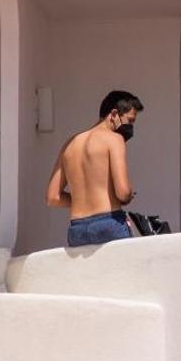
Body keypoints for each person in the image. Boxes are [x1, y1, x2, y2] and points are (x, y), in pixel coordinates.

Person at [46, 90, 144, 247]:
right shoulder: (114, 139)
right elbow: (123, 192)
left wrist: (83, 200)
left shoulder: (71, 144)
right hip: (109, 222)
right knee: (122, 271)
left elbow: (53, 197)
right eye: (130, 121)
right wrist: (128, 195)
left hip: (77, 228)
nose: (131, 127)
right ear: (114, 114)